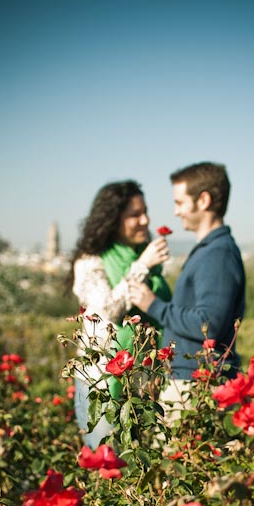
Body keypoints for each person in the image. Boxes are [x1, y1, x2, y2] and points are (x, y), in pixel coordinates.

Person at [128, 162, 245, 415]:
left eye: (179, 203)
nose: (176, 211)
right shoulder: (210, 251)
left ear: (203, 200)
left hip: (195, 385)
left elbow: (208, 325)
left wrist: (153, 305)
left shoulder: (218, 254)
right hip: (191, 380)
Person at [68, 180, 171, 445]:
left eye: (145, 212)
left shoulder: (143, 259)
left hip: (142, 384)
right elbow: (109, 310)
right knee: (107, 465)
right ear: (114, 219)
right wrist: (143, 266)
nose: (145, 220)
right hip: (101, 384)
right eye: (135, 215)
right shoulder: (91, 261)